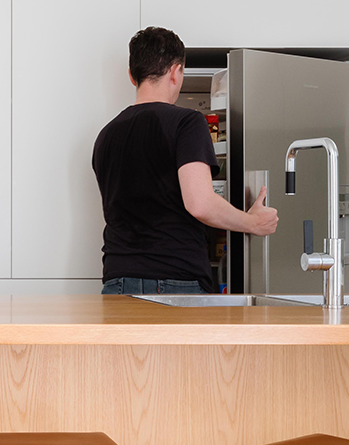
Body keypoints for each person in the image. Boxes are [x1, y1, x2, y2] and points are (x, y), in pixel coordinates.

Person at [92, 27, 279, 295]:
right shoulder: (186, 123)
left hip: (116, 281)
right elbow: (200, 203)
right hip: (173, 281)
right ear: (176, 71)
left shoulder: (106, 135)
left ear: (132, 76)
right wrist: (252, 223)